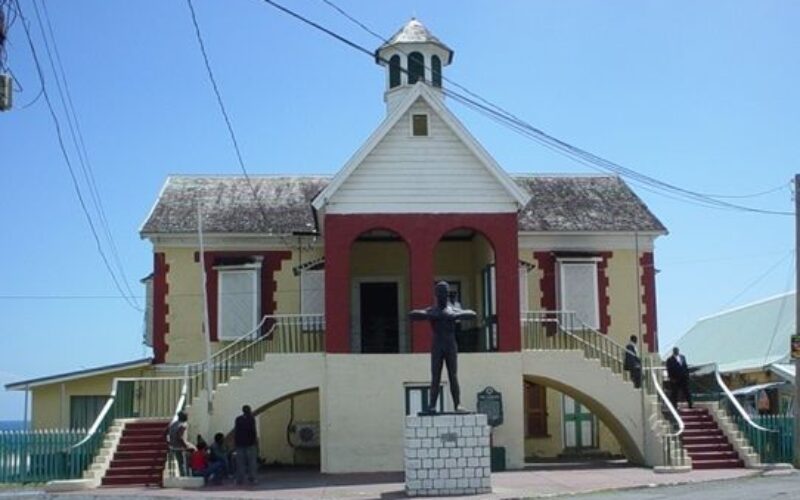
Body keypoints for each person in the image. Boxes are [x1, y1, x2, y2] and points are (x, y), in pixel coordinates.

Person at [409, 281, 477, 413]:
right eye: (440, 292)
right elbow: (412, 314)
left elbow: (472, 314)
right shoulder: (432, 310)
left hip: (450, 344)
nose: (442, 295)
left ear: (447, 294)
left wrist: (456, 315)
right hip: (437, 344)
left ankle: (458, 404)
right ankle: (432, 405)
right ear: (436, 294)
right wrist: (429, 315)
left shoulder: (453, 310)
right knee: (436, 376)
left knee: (453, 375)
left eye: (444, 292)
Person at [234, 405, 259, 485]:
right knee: (252, 462)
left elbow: (236, 431)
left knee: (240, 463)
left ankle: (240, 479)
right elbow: (253, 431)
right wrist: (255, 442)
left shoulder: (238, 419)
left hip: (240, 444)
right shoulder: (251, 419)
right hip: (250, 443)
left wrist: (236, 442)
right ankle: (252, 478)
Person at [166, 411, 195, 476]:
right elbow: (180, 437)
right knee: (185, 461)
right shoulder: (183, 425)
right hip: (180, 446)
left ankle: (183, 474)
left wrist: (169, 443)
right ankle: (188, 474)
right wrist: (186, 446)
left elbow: (166, 434)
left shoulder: (172, 425)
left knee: (180, 462)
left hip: (173, 445)